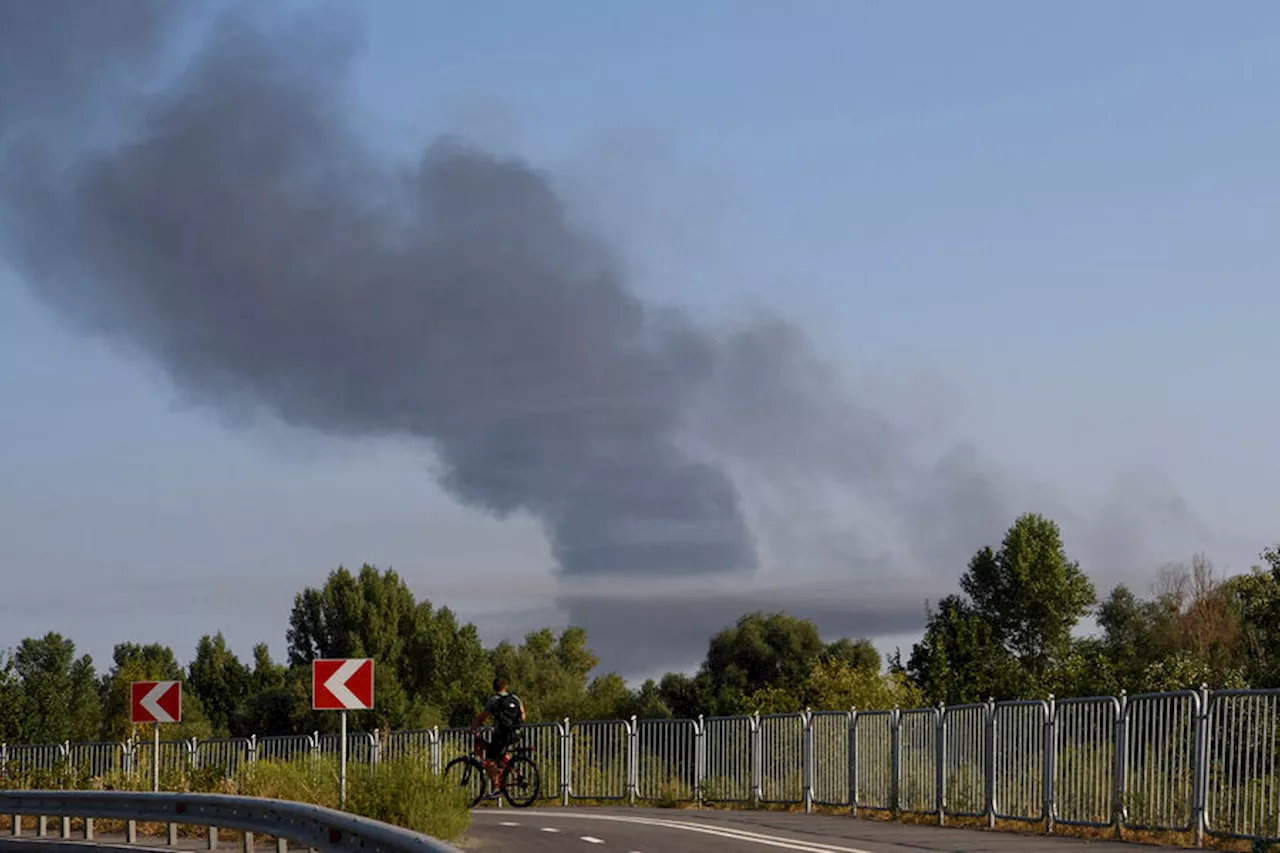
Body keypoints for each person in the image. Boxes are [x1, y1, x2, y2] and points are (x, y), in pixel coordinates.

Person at [471, 677, 525, 794]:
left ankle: (496, 788)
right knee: (502, 754)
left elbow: (482, 717)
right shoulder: (515, 698)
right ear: (505, 686)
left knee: (489, 761)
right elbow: (523, 715)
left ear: (494, 688)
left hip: (502, 734)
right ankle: (517, 774)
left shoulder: (493, 700)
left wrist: (474, 728)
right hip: (516, 733)